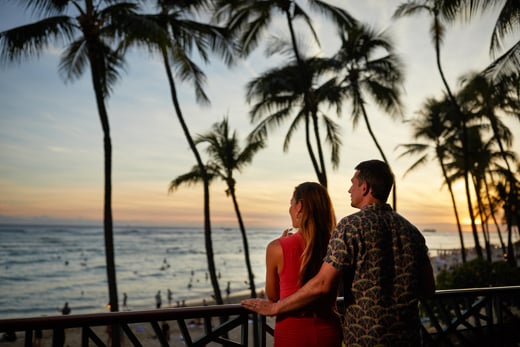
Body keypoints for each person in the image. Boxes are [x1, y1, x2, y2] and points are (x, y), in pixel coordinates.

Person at [243, 160, 436, 346]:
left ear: (365, 187)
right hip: (408, 337)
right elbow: (428, 289)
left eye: (353, 184)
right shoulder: (411, 231)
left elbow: (323, 284)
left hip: (366, 337)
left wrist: (275, 307)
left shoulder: (352, 226)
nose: (349, 189)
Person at [264, 182, 342, 347]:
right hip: (329, 332)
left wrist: (283, 244)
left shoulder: (276, 248)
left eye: (291, 204)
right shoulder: (336, 245)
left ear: (299, 207)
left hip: (292, 333)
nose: (290, 210)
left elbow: (273, 296)